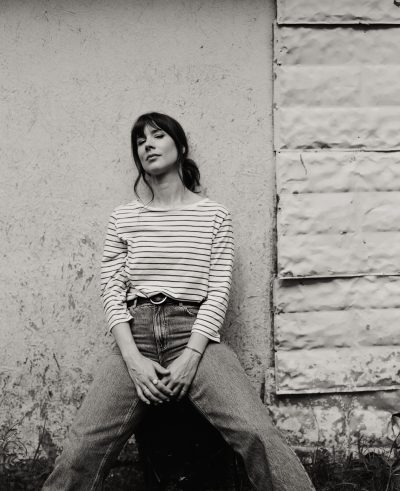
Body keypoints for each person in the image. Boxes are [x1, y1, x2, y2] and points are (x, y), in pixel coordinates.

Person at [42, 112, 315, 491]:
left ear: (181, 147)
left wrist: (191, 356)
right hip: (135, 336)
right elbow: (111, 290)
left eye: (157, 136)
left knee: (257, 433)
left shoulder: (213, 215)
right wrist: (133, 360)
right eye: (140, 141)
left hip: (194, 332)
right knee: (80, 450)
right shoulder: (124, 217)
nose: (147, 145)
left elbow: (218, 291)